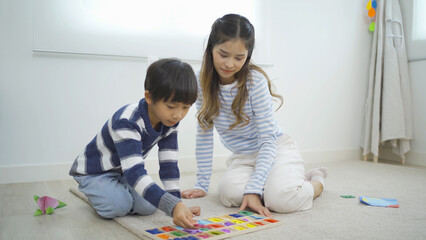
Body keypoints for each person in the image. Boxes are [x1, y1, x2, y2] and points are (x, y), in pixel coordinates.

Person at [181, 14, 327, 217]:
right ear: (211, 49)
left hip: (274, 148)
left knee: (281, 200)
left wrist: (253, 189)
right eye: (223, 54)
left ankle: (316, 179)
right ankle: (277, 182)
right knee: (229, 194)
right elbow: (204, 134)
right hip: (244, 157)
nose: (230, 64)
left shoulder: (254, 83)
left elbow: (268, 140)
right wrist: (202, 183)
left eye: (239, 58)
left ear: (247, 56)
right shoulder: (200, 82)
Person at [69, 58, 200, 229]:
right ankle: (96, 190)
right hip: (95, 172)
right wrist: (173, 206)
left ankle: (117, 190)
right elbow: (135, 172)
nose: (178, 115)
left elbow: (169, 166)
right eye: (171, 106)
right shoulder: (127, 121)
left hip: (124, 171)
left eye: (186, 107)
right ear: (149, 97)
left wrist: (176, 203)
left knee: (148, 206)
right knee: (118, 206)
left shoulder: (170, 121)